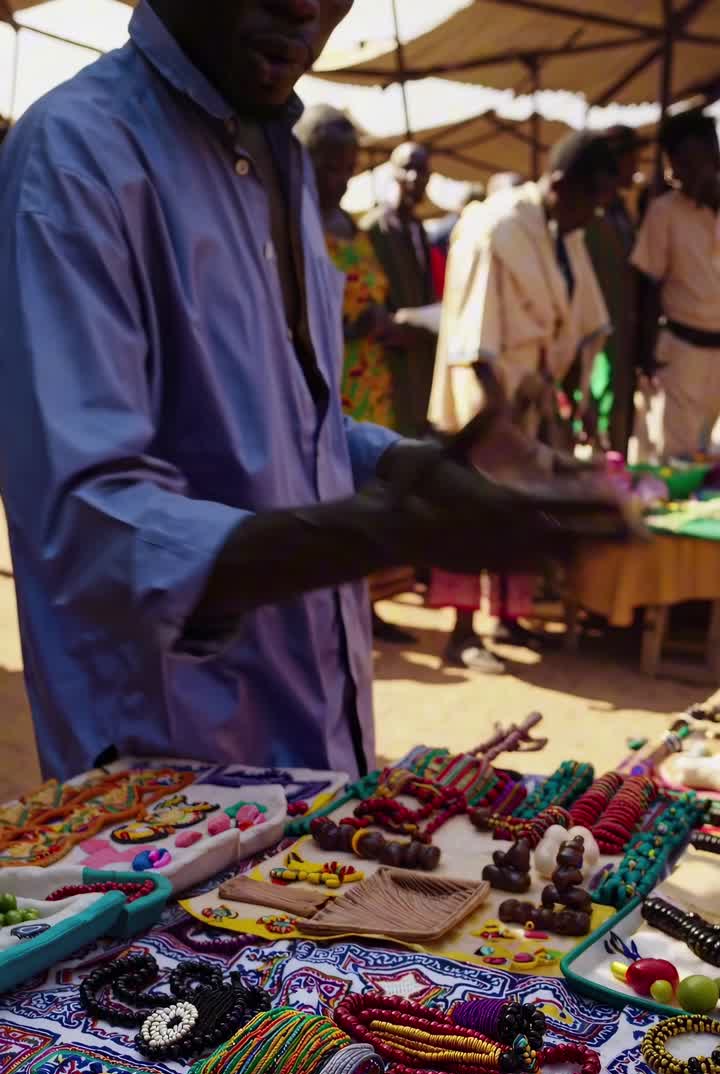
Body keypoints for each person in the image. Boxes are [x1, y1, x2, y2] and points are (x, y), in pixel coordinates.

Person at [0, 2, 627, 783]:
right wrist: (390, 531)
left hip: (317, 740)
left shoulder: (279, 160)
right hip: (170, 781)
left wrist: (409, 468)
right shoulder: (77, 158)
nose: (305, 5)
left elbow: (296, 417)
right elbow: (91, 521)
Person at [429, 131, 616, 659]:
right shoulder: (498, 227)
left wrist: (575, 392)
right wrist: (496, 415)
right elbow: (476, 328)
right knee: (471, 507)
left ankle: (508, 619)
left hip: (530, 392)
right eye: (591, 201)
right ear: (559, 186)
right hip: (487, 396)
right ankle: (462, 634)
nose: (594, 216)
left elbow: (582, 317)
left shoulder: (563, 231)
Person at [295, 102, 416, 645]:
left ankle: (365, 604)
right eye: (328, 165)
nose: (339, 178)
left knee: (366, 494)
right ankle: (323, 608)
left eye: (347, 167)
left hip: (368, 382)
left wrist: (386, 325)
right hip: (319, 381)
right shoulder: (289, 220)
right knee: (320, 495)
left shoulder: (353, 226)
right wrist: (350, 322)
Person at [633, 109, 720, 459]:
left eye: (691, 162)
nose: (681, 174)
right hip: (680, 353)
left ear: (714, 155)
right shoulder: (663, 213)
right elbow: (649, 286)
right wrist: (645, 353)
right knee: (674, 456)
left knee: (706, 455)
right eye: (676, 165)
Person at [362, 142, 438, 437]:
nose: (415, 178)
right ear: (392, 173)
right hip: (390, 359)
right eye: (407, 169)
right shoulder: (374, 228)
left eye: (422, 171)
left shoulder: (418, 228)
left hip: (421, 355)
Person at [585, 126, 640, 454]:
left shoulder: (622, 211)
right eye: (630, 158)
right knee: (602, 406)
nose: (636, 166)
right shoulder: (589, 214)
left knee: (620, 406)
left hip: (622, 331)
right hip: (598, 334)